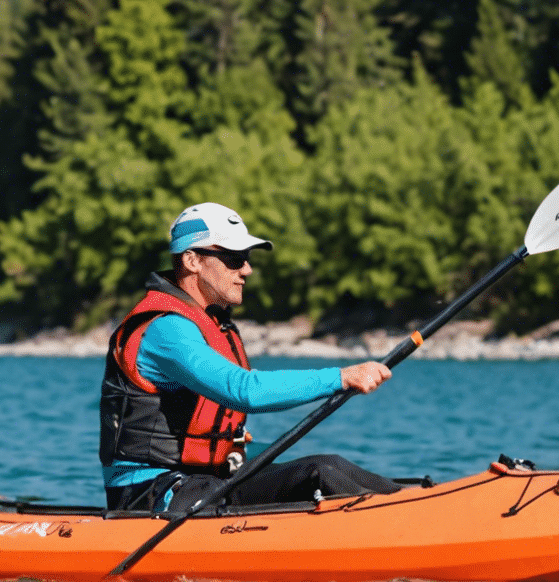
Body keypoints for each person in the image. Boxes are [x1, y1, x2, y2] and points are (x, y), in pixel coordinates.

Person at [100, 202, 400, 513]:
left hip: (204, 479)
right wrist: (341, 377)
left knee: (323, 468)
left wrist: (240, 448)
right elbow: (245, 391)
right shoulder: (166, 329)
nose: (247, 269)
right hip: (147, 491)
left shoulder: (214, 323)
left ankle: (412, 504)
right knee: (237, 487)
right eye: (233, 258)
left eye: (246, 258)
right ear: (192, 260)